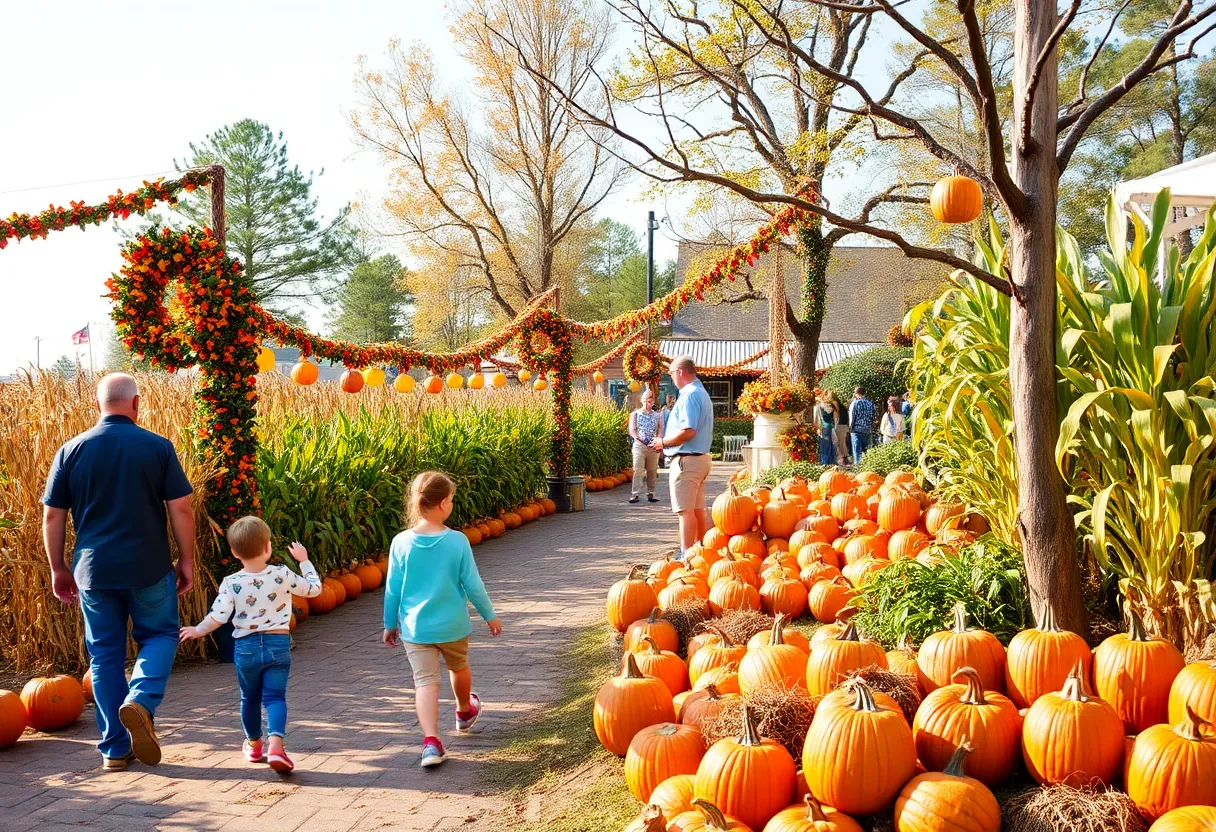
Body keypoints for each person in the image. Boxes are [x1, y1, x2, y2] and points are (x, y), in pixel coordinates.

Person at [42, 373, 196, 771]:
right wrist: (187, 560)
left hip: (93, 571)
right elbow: (180, 508)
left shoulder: (70, 450)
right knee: (160, 634)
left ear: (99, 405)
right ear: (136, 403)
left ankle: (114, 749)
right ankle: (141, 702)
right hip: (148, 566)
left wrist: (58, 567)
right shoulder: (157, 447)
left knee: (105, 655)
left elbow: (53, 514)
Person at [179, 517, 321, 773]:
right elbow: (314, 590)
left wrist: (197, 630)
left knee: (249, 698)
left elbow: (218, 617)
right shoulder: (282, 574)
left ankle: (254, 745)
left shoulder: (231, 582)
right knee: (275, 697)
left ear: (234, 552)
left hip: (245, 648)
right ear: (268, 547)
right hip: (278, 643)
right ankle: (276, 745)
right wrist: (304, 561)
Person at [382, 472, 503, 768]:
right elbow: (473, 583)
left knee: (424, 682)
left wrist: (389, 624)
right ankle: (464, 710)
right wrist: (490, 615)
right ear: (441, 505)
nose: (451, 504)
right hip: (453, 625)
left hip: (415, 628)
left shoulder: (401, 542)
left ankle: (431, 742)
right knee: (458, 667)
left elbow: (392, 589)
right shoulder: (457, 541)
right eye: (450, 500)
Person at [650, 356, 714, 556]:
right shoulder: (700, 392)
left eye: (670, 373)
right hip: (699, 459)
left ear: (679, 372)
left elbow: (688, 431)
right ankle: (702, 551)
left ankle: (686, 555)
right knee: (696, 510)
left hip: (687, 460)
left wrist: (663, 443)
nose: (671, 378)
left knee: (684, 511)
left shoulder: (689, 395)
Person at [628, 389, 663, 504]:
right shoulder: (635, 414)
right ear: (642, 401)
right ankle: (635, 494)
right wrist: (640, 439)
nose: (648, 404)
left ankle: (651, 493)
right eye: (646, 401)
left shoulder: (658, 415)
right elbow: (632, 431)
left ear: (653, 402)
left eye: (650, 401)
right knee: (638, 469)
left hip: (653, 446)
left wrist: (657, 441)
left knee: (652, 470)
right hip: (639, 445)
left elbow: (661, 430)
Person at [848, 386, 876, 465]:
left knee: (857, 451)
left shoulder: (855, 403)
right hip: (867, 429)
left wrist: (850, 428)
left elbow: (852, 417)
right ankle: (866, 467)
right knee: (866, 451)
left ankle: (858, 467)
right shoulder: (870, 404)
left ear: (856, 393)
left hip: (856, 430)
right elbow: (873, 416)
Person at [814, 395, 837, 465]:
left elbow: (815, 420)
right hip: (831, 427)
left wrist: (816, 429)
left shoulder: (818, 407)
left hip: (823, 427)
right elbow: (835, 418)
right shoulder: (831, 406)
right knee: (830, 444)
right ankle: (831, 461)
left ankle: (824, 462)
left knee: (824, 445)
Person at [830, 391, 851, 465]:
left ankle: (843, 459)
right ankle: (844, 459)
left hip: (839, 426)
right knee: (842, 443)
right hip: (843, 426)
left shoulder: (835, 405)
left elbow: (835, 416)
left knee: (840, 443)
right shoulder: (843, 407)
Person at [658, 393, 676, 469]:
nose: (672, 403)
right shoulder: (665, 412)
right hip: (666, 434)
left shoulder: (667, 411)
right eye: (671, 401)